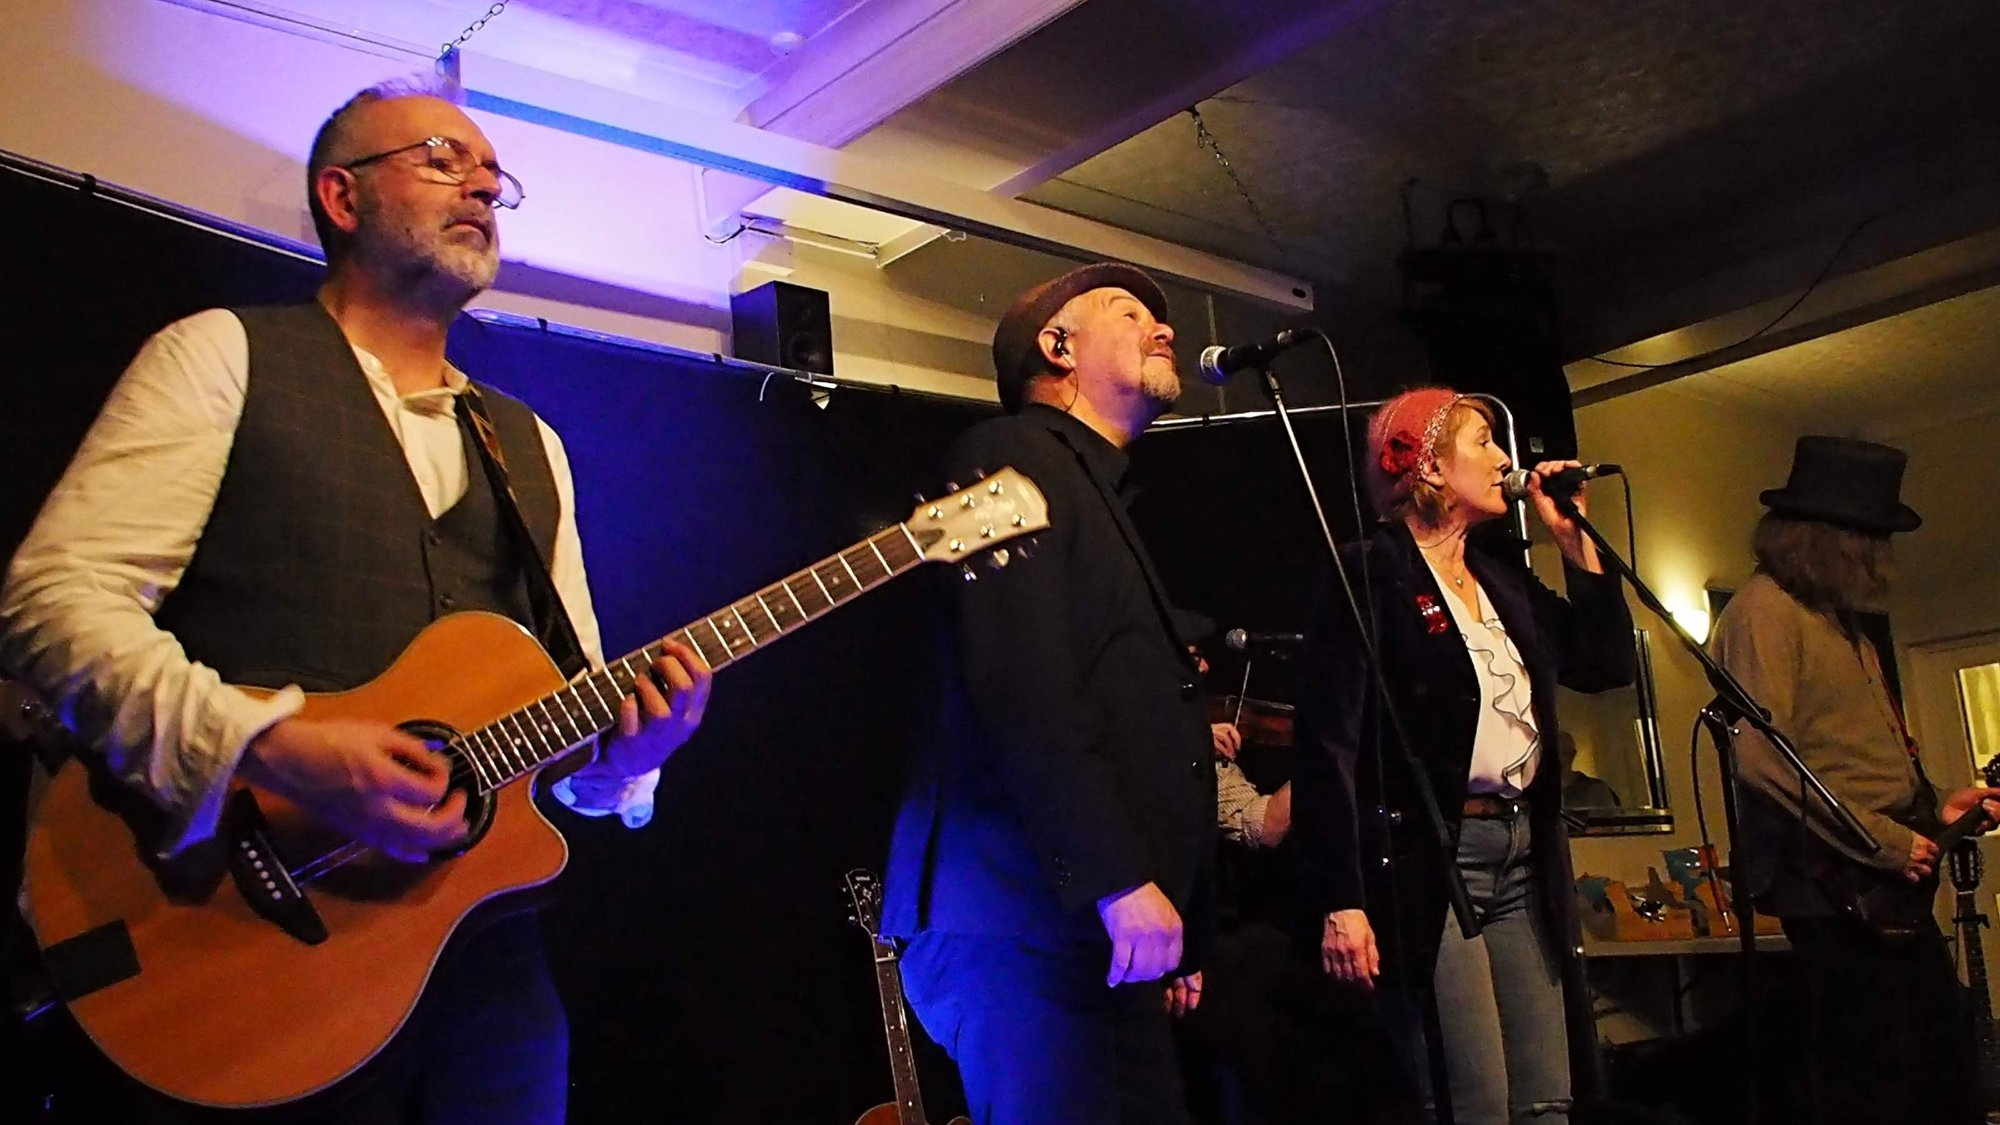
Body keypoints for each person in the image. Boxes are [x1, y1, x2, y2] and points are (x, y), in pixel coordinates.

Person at [1, 79, 713, 1122]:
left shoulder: (531, 448)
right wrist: (266, 746)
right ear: (342, 196)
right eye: (440, 157)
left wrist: (627, 760)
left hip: (484, 974)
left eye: (491, 174)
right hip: (238, 955)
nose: (481, 185)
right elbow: (49, 604)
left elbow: (562, 721)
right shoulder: (223, 356)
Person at [882, 262, 1216, 1125]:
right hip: (1021, 919)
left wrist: (1162, 908)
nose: (1164, 327)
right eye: (1130, 310)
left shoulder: (1094, 489)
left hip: (1081, 928)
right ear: (1057, 346)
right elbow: (1020, 683)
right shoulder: (1006, 454)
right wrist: (1117, 879)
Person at [1293, 387, 1635, 1123]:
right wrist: (1341, 899)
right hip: (1434, 854)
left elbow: (1604, 664)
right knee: (1474, 1096)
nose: (1506, 459)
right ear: (1429, 467)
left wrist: (1575, 542)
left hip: (1521, 851)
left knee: (1547, 1097)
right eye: (1482, 441)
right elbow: (1328, 748)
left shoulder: (1501, 577)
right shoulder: (1370, 573)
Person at [1709, 435, 1998, 1125]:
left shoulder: (1837, 621)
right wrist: (1884, 843)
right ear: (1828, 538)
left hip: (1877, 882)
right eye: (1870, 538)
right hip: (1837, 889)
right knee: (1878, 1079)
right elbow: (1761, 758)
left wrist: (1935, 816)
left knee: (1936, 1067)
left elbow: (1851, 758)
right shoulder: (1764, 612)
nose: (1879, 559)